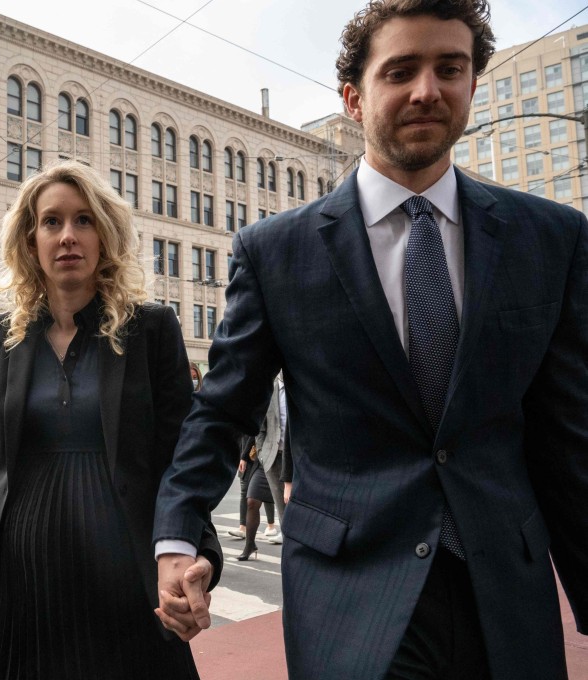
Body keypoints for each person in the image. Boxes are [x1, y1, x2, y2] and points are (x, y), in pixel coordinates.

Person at [153, 1, 588, 678]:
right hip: (349, 597)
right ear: (354, 99)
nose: (427, 90)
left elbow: (568, 436)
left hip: (504, 594)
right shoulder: (274, 252)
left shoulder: (551, 238)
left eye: (450, 69)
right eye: (401, 70)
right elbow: (222, 410)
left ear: (473, 84)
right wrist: (179, 537)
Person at [0, 160, 222, 679]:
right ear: (31, 241)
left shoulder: (152, 330)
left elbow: (182, 463)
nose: (67, 235)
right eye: (51, 222)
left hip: (126, 584)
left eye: (84, 220)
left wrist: (199, 553)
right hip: (20, 589)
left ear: (105, 235)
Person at [254, 375, 287, 545]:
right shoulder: (269, 389)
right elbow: (260, 426)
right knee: (279, 499)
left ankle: (296, 535)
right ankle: (285, 532)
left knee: (296, 499)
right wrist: (261, 452)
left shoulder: (299, 385)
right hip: (273, 454)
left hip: (296, 455)